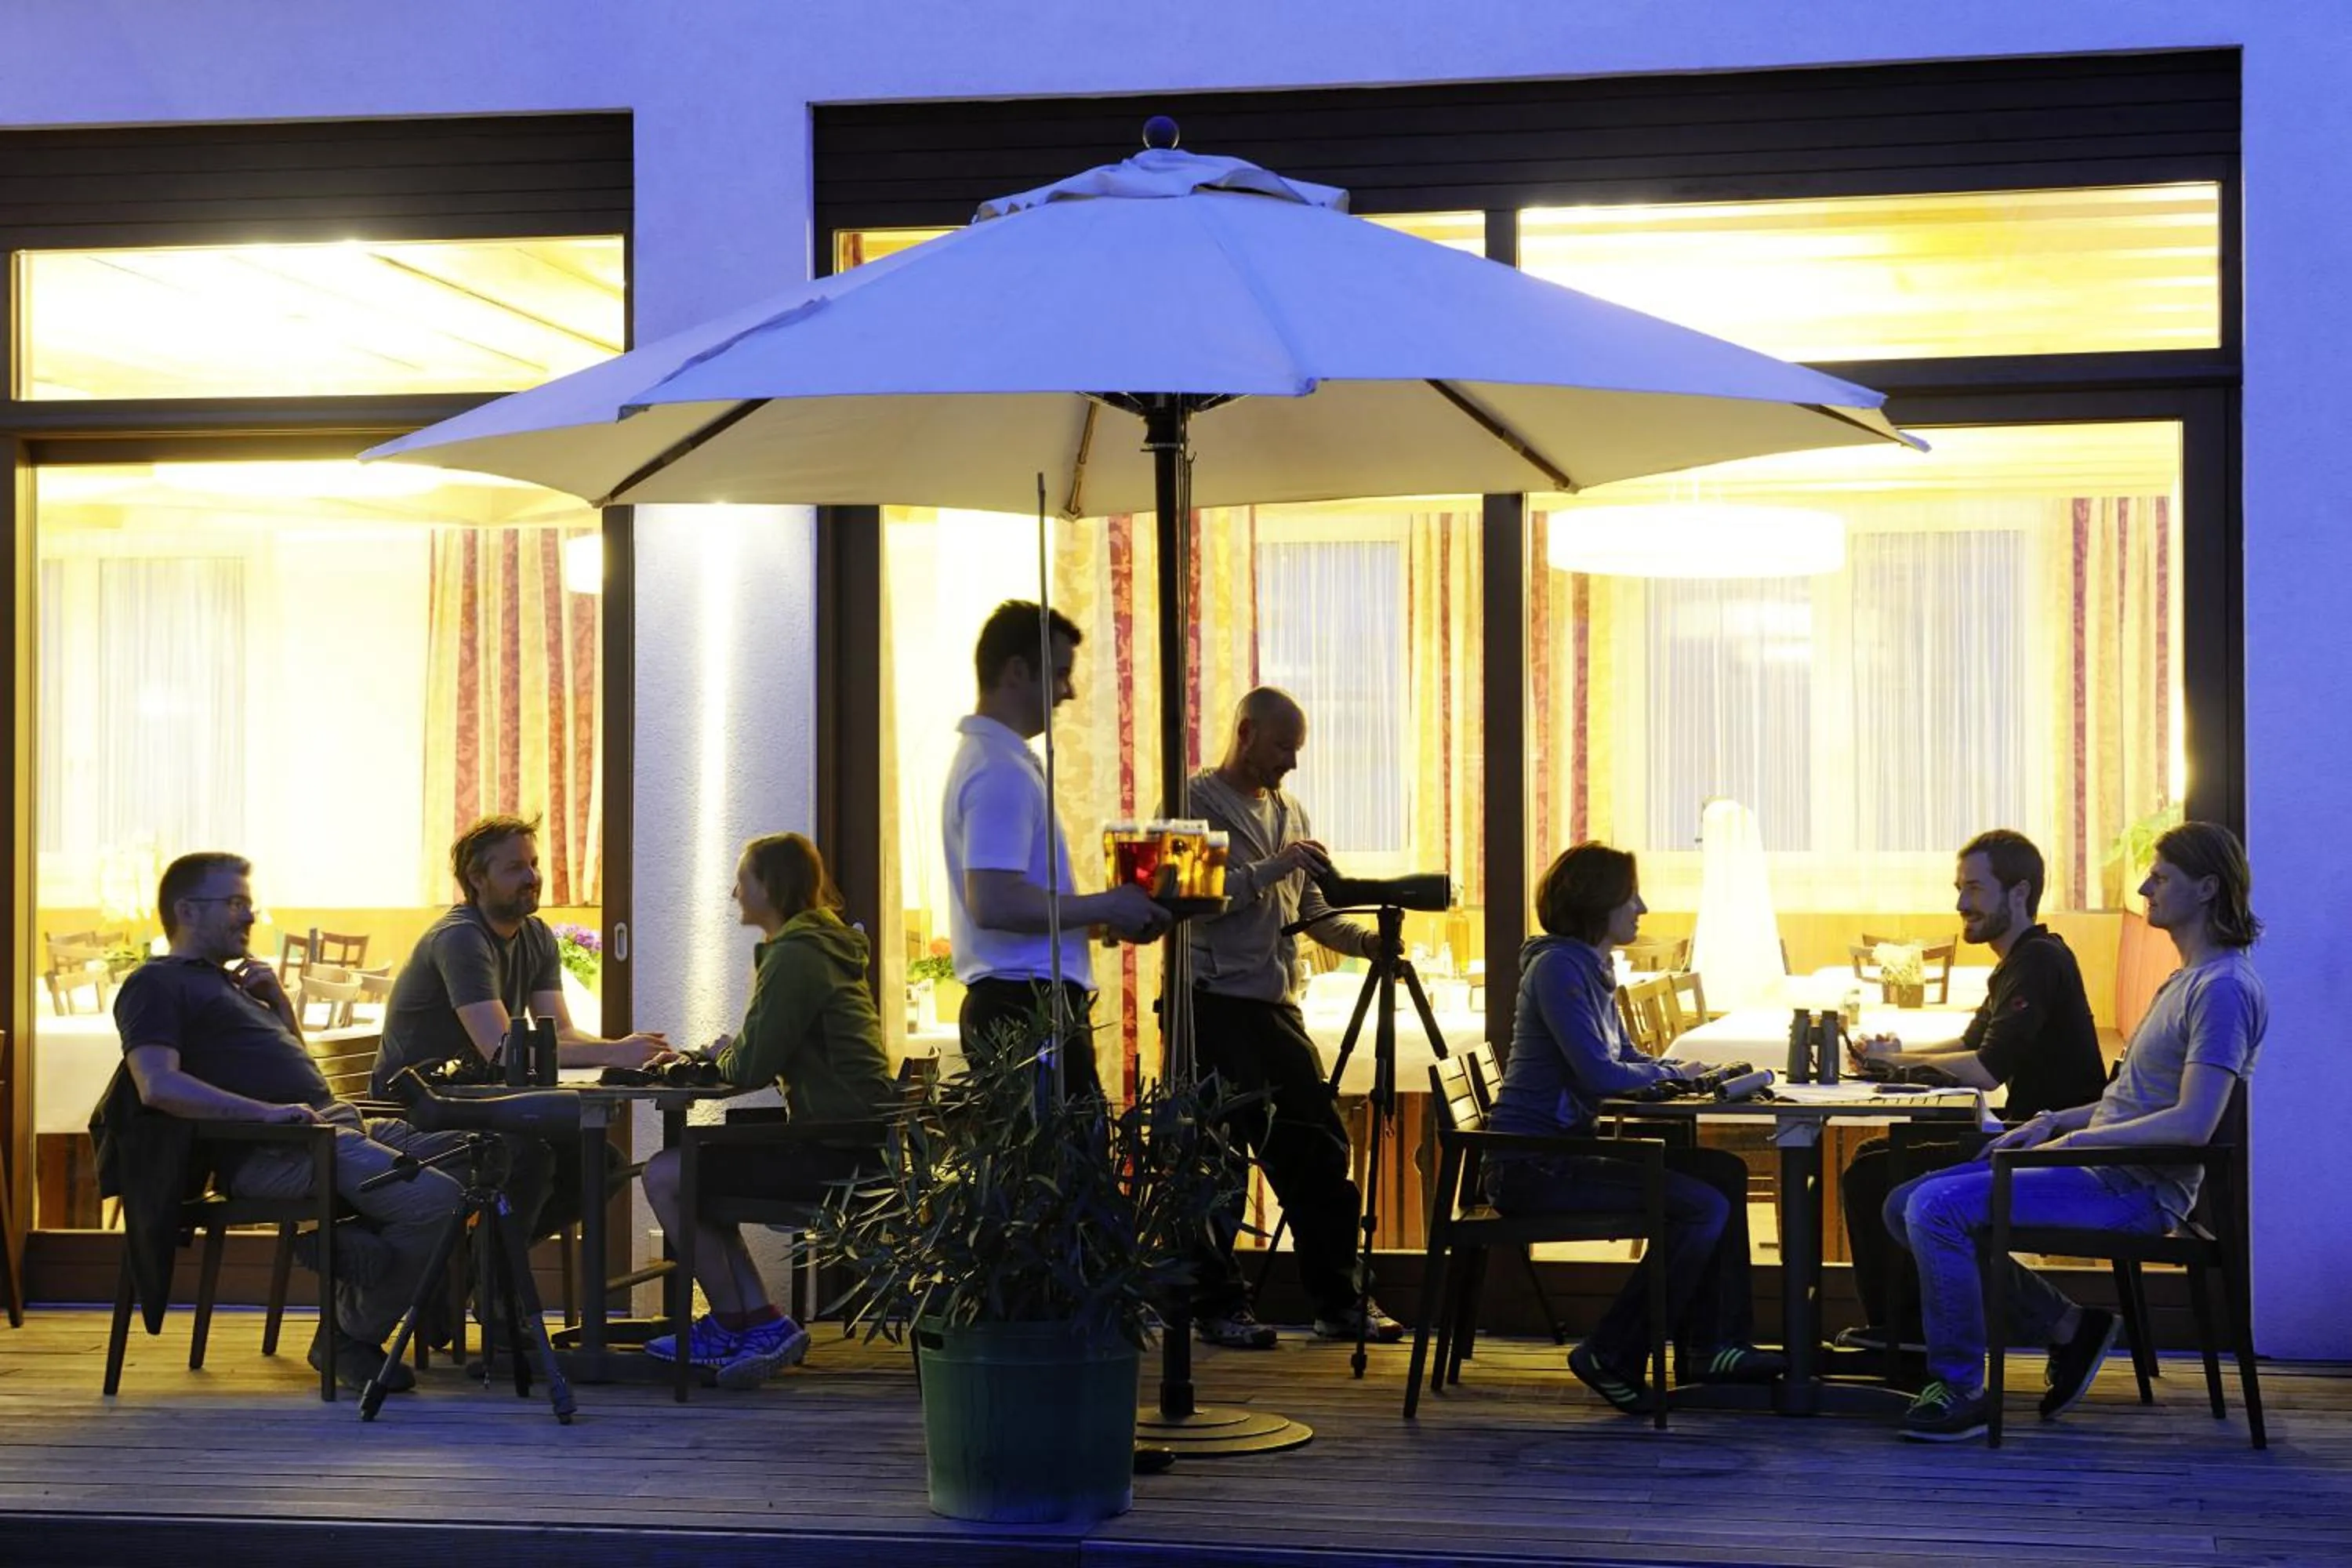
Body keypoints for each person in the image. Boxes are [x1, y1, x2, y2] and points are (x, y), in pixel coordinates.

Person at [1886, 821, 2266, 1442]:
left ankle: (1962, 1389)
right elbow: (2132, 1101)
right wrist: (2054, 1121)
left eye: (2161, 877)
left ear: (2207, 889)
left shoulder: (2223, 990)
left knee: (1932, 1207)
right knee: (1904, 1205)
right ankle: (2069, 1325)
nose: (2145, 887)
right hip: (2101, 1168)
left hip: (2133, 1189)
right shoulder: (2187, 980)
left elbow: (2195, 1123)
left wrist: (2073, 1143)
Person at [116, 852, 469, 1392]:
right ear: (186, 910)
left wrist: (279, 1005)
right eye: (235, 903)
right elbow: (157, 1085)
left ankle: (382, 1261)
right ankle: (350, 1332)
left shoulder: (233, 984)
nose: (249, 916)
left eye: (248, 904)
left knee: (484, 1154)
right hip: (274, 1150)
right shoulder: (157, 983)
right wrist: (266, 1115)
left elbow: (302, 1078)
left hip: (330, 1129)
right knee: (436, 1202)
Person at [1486, 841, 1786, 1414]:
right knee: (1702, 1207)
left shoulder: (1590, 968)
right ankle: (1611, 1351)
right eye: (1631, 896)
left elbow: (1624, 1055)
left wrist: (1681, 1073)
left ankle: (1715, 1346)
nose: (1642, 907)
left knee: (1722, 1172)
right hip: (1531, 1166)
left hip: (1559, 1154)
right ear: (1597, 901)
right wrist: (1666, 1074)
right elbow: (1601, 1075)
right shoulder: (1557, 968)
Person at [1183, 687, 1404, 1348]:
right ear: (1246, 732)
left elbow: (1310, 913)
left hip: (1277, 1006)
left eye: (1298, 749)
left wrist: (1368, 944)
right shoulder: (1192, 805)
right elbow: (1192, 901)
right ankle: (1217, 1306)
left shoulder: (1290, 809)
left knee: (1318, 1151)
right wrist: (1271, 866)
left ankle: (1339, 1301)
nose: (1293, 763)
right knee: (1216, 1163)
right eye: (1284, 747)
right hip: (1212, 1007)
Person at [1835, 829, 2108, 1351]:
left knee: (1875, 1177)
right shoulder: (2021, 959)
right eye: (1960, 888)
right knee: (1873, 1162)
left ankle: (1925, 1333)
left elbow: (1986, 1069)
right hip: (2023, 1134)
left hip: (2045, 1145)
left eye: (1975, 889)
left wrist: (1902, 1065)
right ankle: (1908, 1329)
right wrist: (1894, 1060)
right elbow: (1969, 1042)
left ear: (2019, 892)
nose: (1961, 903)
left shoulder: (2038, 961)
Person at [641, 833, 896, 1388]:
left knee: (668, 1175)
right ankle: (759, 1322)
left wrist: (723, 1055)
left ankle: (736, 1321)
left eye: (743, 880)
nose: (735, 892)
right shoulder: (819, 945)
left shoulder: (796, 955)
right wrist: (734, 1052)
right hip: (861, 1137)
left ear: (769, 887)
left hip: (841, 1151)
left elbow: (751, 1065)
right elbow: (765, 1047)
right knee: (694, 1173)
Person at [372, 813, 666, 1241]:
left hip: (478, 1102)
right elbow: (500, 1048)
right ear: (477, 879)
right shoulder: (460, 939)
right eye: (515, 868)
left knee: (604, 1165)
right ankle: (487, 1283)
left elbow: (560, 1033)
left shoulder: (536, 936)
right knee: (527, 1159)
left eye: (534, 863)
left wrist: (628, 1049)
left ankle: (481, 1269)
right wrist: (614, 1053)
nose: (532, 877)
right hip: (419, 1106)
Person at [942, 600, 1169, 1099]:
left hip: (1023, 1004)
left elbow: (1016, 903)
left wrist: (1108, 920)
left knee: (1065, 1168)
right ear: (1018, 672)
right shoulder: (999, 770)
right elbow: (995, 902)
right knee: (1064, 1172)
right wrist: (1108, 904)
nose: (1070, 691)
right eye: (1061, 673)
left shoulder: (995, 760)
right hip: (1025, 1009)